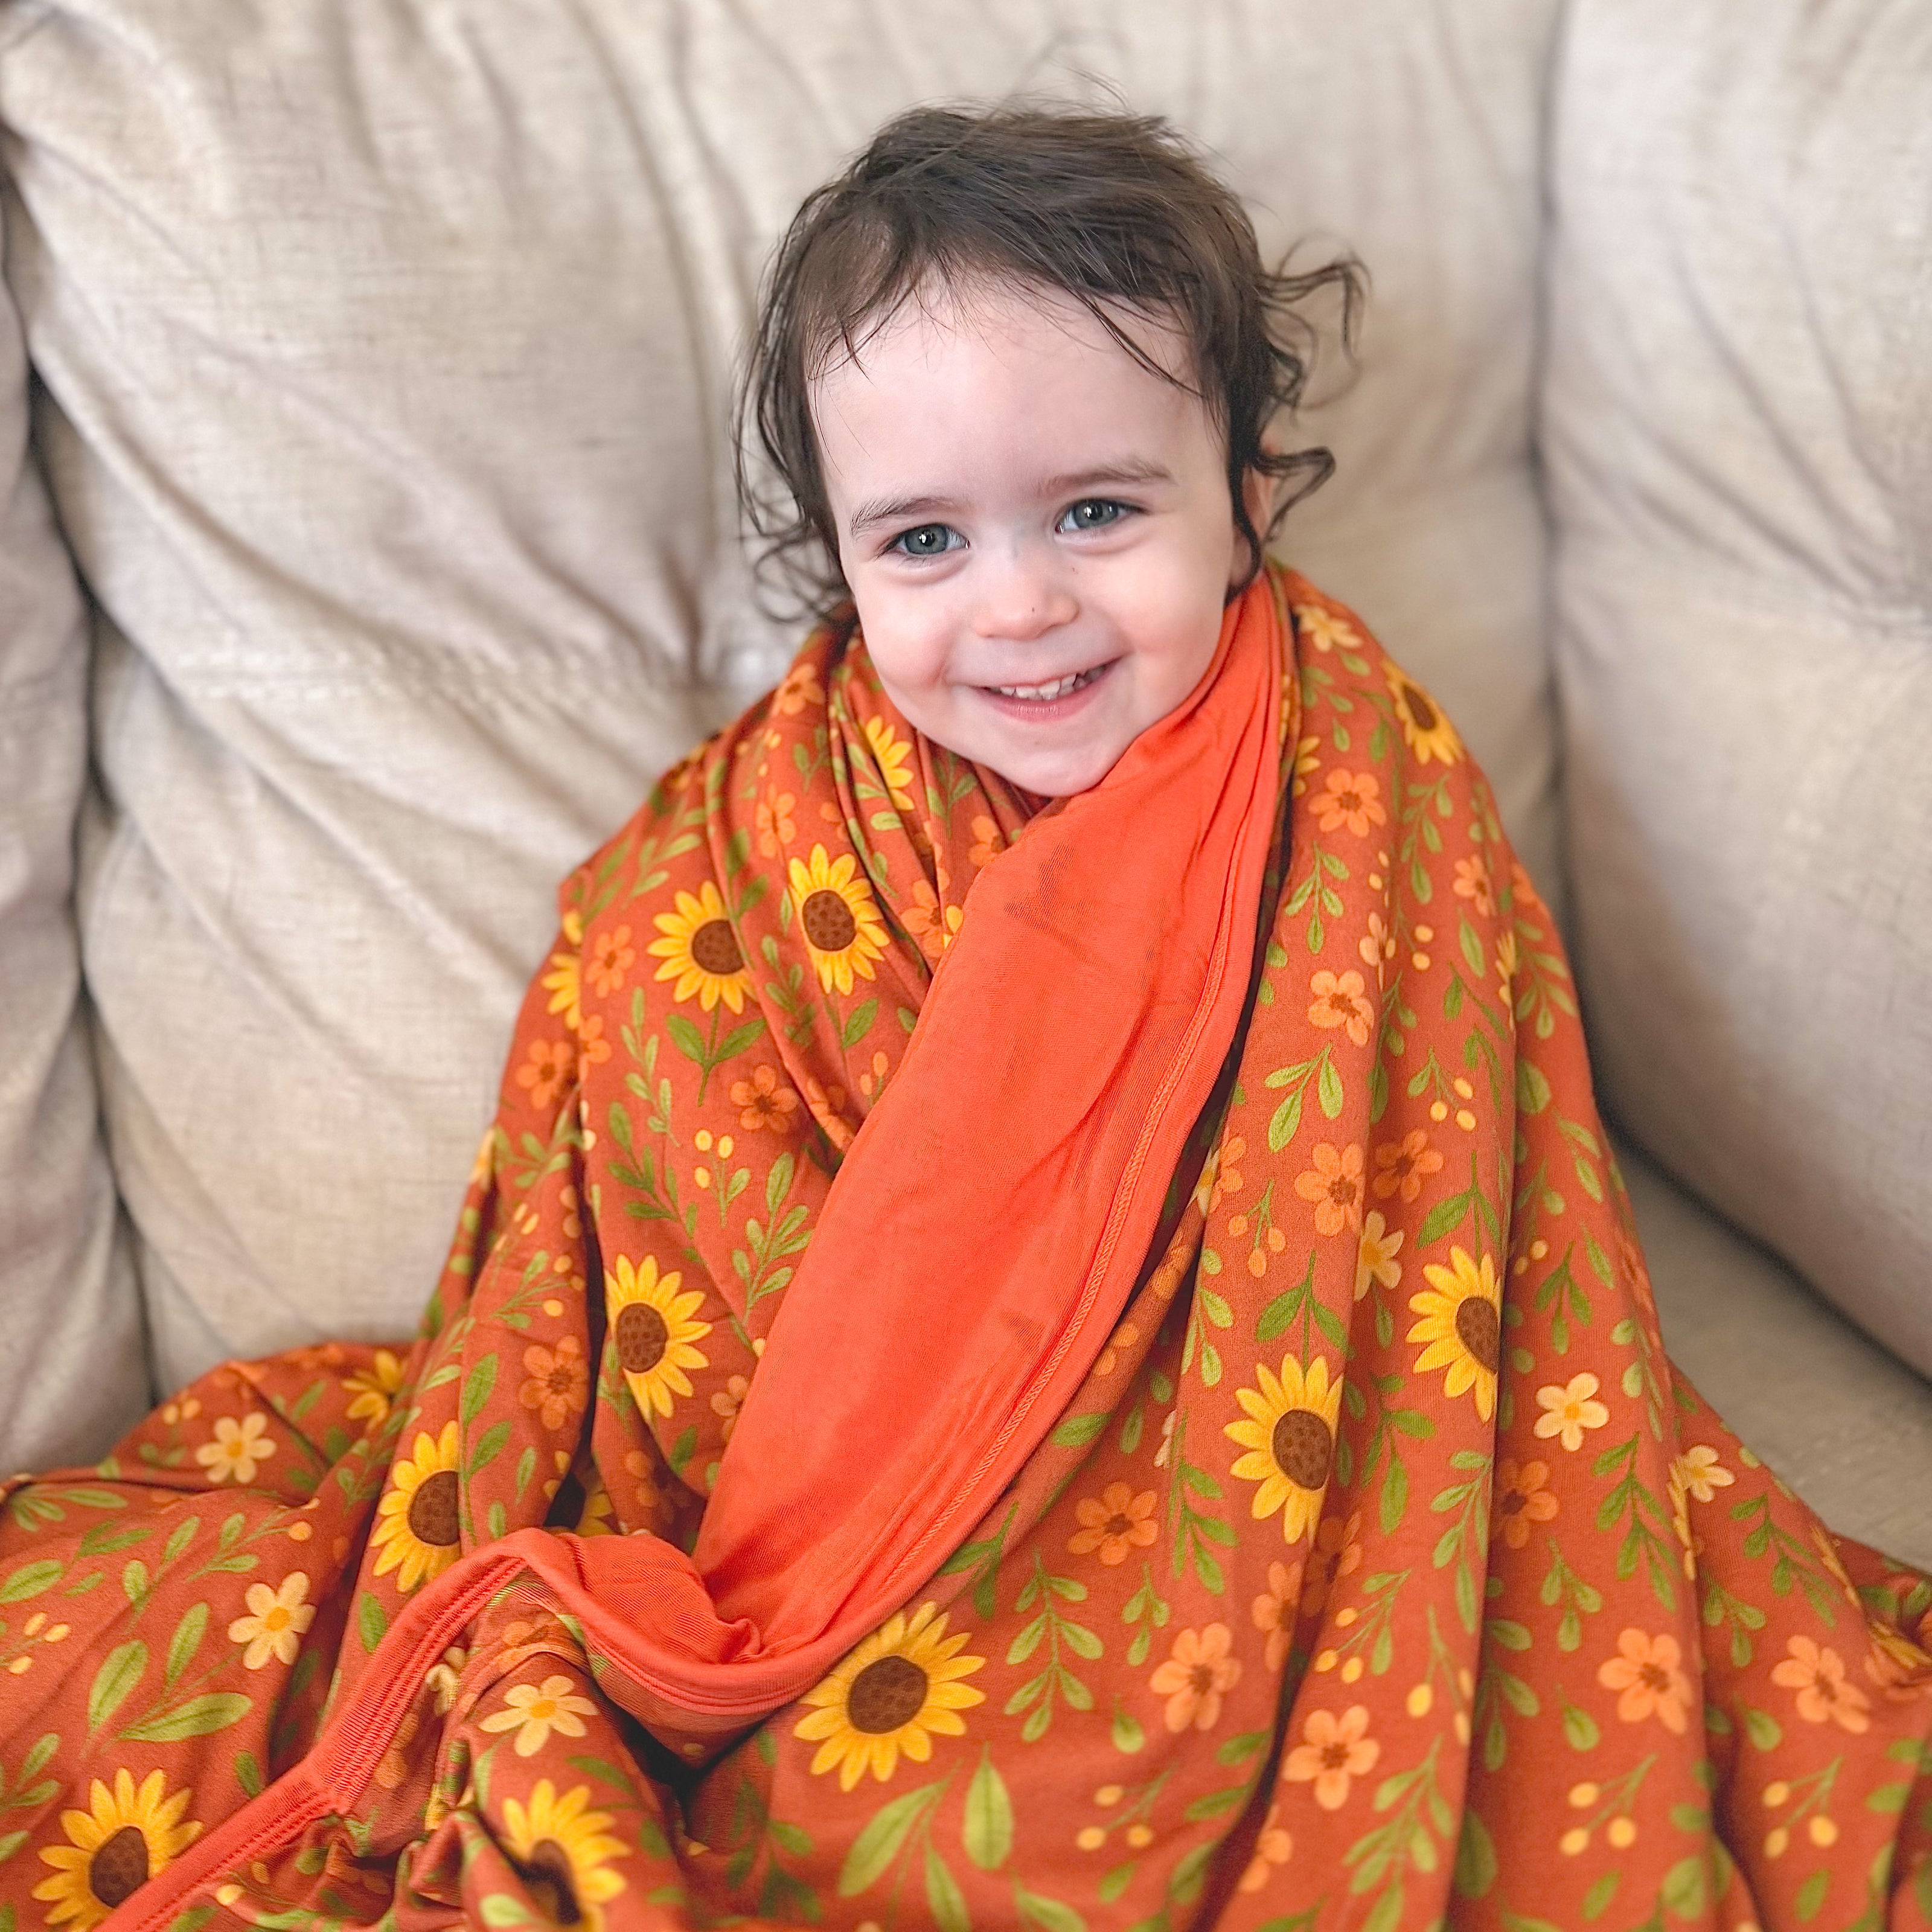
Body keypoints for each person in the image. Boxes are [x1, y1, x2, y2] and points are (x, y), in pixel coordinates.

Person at [2, 103, 1927, 1932]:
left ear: (1243, 496)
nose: (1017, 609)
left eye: (1094, 510)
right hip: (817, 1505)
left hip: (1240, 1488)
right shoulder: (763, 830)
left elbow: (1448, 1165)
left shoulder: (1368, 779)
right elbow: (677, 1132)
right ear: (841, 556)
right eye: (924, 541)